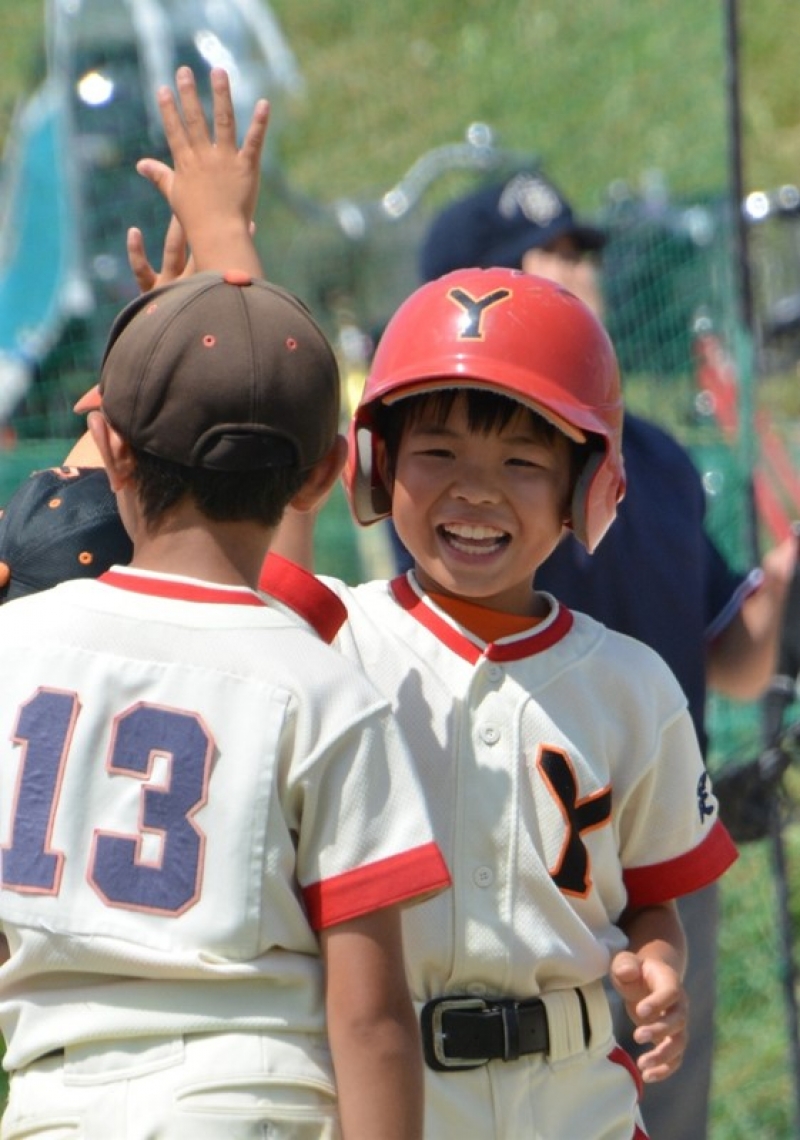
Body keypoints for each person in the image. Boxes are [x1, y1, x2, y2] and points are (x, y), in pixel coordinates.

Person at [0, 67, 450, 1140]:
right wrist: (222, 258)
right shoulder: (319, 684)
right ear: (323, 473)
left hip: (58, 1107)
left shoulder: (16, 644)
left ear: (107, 444)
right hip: (249, 1105)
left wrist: (180, 313)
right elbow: (371, 1022)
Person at [411, 167, 799, 1140]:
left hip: (656, 842)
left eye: (584, 251)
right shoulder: (457, 478)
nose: (580, 269)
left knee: (663, 1107)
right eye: (549, 254)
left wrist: (787, 570)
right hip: (513, 836)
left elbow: (732, 660)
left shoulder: (653, 456)